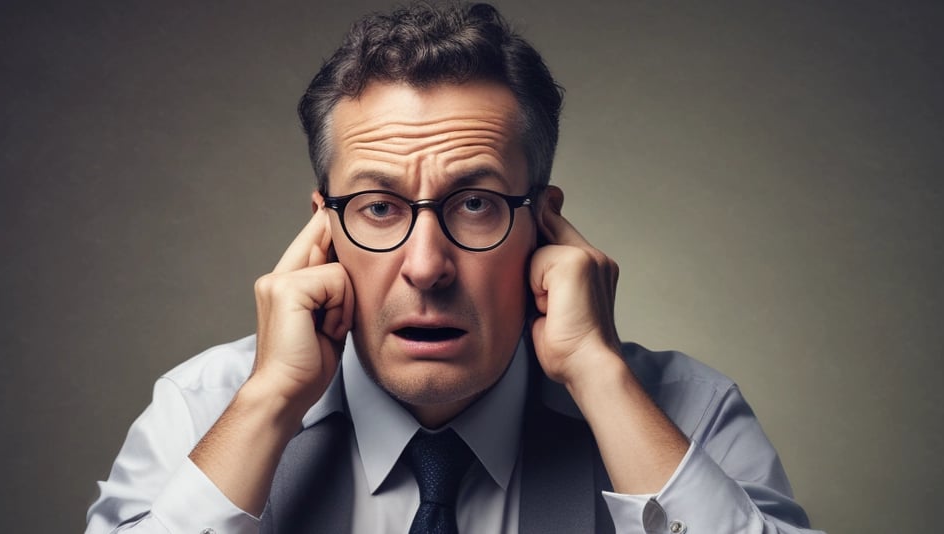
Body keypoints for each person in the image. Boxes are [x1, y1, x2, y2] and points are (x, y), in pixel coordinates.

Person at [86, 3, 823, 533]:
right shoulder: (203, 410)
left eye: (474, 204)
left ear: (544, 222)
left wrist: (601, 380)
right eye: (378, 207)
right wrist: (270, 402)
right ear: (323, 228)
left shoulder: (680, 412)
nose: (427, 266)